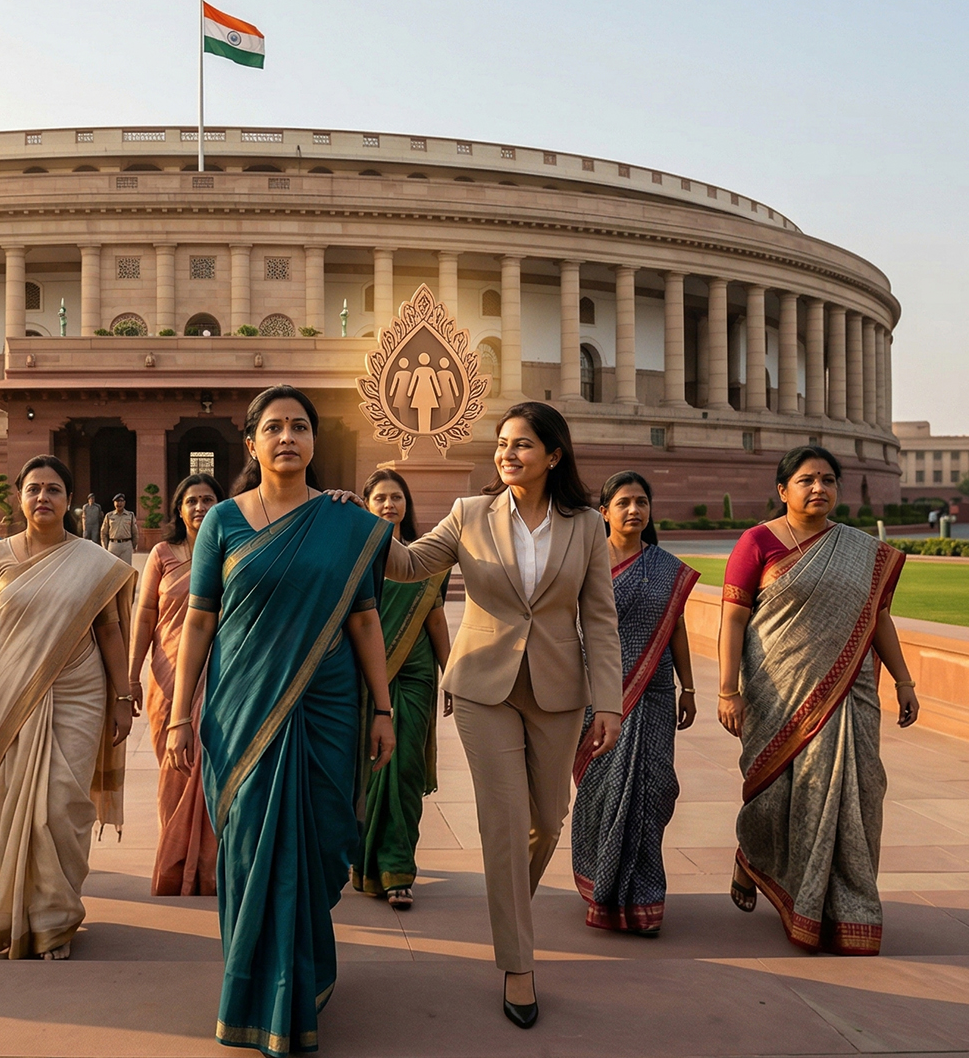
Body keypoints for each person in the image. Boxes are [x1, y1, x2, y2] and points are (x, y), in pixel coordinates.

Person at [168, 385, 396, 1057]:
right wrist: (180, 716)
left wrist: (382, 708)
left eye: (300, 426)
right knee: (249, 850)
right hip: (242, 711)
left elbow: (364, 618)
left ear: (315, 442)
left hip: (326, 707)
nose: (288, 436)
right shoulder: (225, 522)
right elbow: (200, 622)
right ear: (251, 443)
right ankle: (256, 991)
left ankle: (303, 976)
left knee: (319, 843)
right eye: (274, 427)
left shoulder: (344, 523)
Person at [379, 400, 622, 1030]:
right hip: (483, 687)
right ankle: (517, 961)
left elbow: (598, 618)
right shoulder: (468, 514)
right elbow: (408, 565)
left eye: (521, 445)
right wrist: (365, 525)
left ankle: (510, 899)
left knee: (547, 816)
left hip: (559, 692)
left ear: (553, 455)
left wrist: (610, 701)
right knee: (506, 823)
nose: (507, 454)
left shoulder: (587, 525)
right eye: (501, 443)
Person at [718, 445, 918, 955]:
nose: (819, 488)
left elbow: (878, 618)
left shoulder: (860, 549)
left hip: (851, 693)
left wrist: (903, 680)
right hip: (777, 691)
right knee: (780, 797)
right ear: (782, 490)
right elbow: (734, 620)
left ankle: (844, 908)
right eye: (806, 480)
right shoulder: (757, 542)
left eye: (828, 480)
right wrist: (727, 689)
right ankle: (753, 857)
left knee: (860, 792)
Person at [0, 454, 136, 959]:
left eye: (53, 489)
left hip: (79, 691)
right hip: (8, 694)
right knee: (9, 804)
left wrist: (122, 697)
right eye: (33, 489)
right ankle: (19, 909)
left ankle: (54, 918)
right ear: (20, 498)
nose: (42, 497)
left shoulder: (93, 561)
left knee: (61, 806)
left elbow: (111, 631)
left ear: (69, 499)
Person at [569, 471, 699, 937]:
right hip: (594, 696)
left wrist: (688, 686)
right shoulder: (583, 561)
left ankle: (643, 897)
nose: (633, 511)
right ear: (603, 511)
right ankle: (600, 887)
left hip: (655, 693)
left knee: (654, 789)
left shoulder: (664, 566)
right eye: (623, 502)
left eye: (641, 502)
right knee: (600, 792)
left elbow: (676, 629)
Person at [353, 468, 452, 910]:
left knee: (404, 772)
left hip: (415, 677)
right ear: (367, 505)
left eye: (397, 497)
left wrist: (452, 673)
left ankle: (397, 870)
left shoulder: (425, 560)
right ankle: (363, 862)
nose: (390, 504)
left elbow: (434, 618)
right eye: (380, 498)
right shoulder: (353, 554)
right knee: (368, 774)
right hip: (365, 677)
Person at [129, 471, 223, 896]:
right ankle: (175, 862)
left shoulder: (230, 549)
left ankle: (209, 867)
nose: (200, 508)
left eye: (208, 500)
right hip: (167, 677)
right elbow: (144, 614)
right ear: (179, 509)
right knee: (175, 768)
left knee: (212, 768)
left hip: (219, 673)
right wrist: (131, 675)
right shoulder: (163, 553)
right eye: (192, 501)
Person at [100, 492, 139, 564]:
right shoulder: (109, 516)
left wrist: (134, 545)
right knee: (113, 568)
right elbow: (103, 533)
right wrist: (105, 547)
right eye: (117, 501)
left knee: (126, 569)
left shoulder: (130, 515)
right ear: (114, 503)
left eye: (121, 501)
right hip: (113, 545)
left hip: (126, 545)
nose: (119, 503)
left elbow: (135, 532)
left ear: (124, 502)